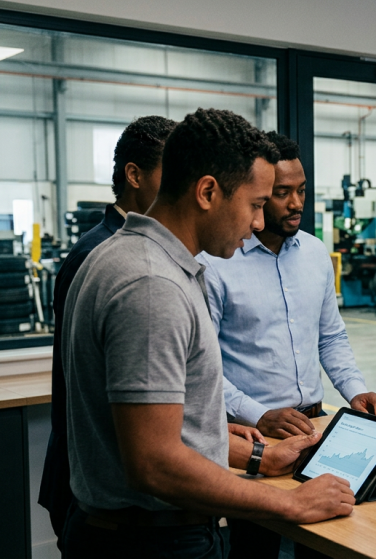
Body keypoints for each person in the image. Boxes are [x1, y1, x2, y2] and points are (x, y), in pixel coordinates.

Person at [60, 108, 355, 558]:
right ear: (207, 192)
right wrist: (287, 503)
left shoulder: (126, 257)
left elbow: (162, 423)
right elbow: (154, 463)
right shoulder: (151, 284)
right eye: (256, 204)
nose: (259, 224)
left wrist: (234, 442)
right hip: (156, 542)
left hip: (143, 532)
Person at [197, 132, 376, 558]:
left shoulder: (315, 254)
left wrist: (356, 390)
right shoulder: (215, 263)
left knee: (329, 538)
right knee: (255, 549)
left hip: (318, 427)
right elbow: (205, 369)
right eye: (281, 193)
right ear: (258, 195)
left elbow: (331, 336)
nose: (295, 203)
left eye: (301, 190)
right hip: (254, 438)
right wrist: (261, 415)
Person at [38, 115, 177, 545]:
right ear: (133, 175)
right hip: (101, 488)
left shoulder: (140, 249)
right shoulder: (103, 255)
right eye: (170, 175)